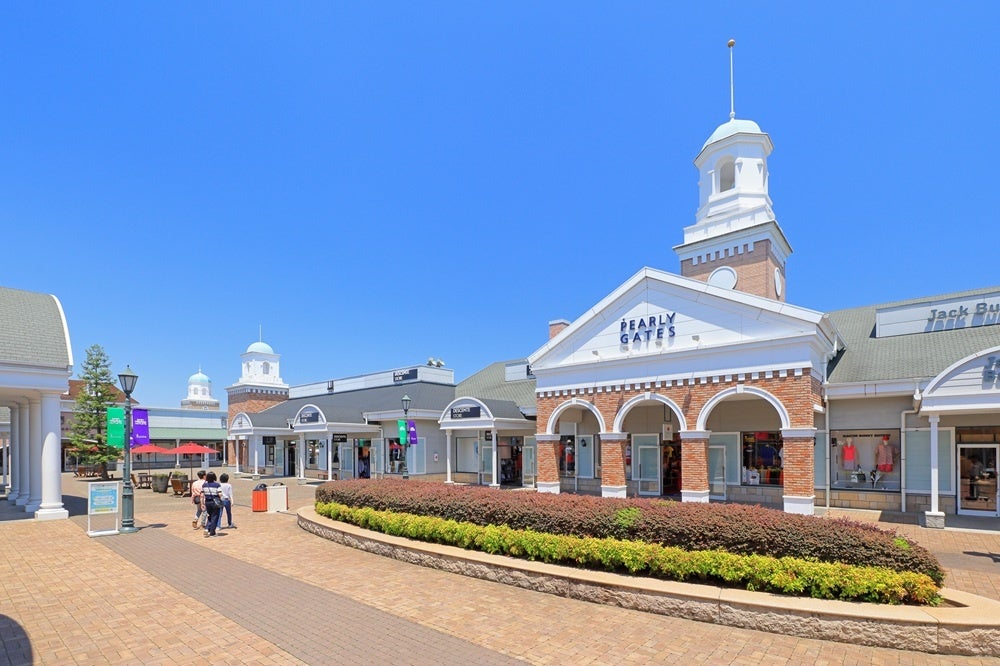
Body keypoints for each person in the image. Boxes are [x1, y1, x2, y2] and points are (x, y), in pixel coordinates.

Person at [201, 471, 223, 537]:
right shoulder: (217, 485)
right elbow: (220, 494)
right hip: (215, 502)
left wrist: (202, 504)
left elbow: (202, 495)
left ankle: (207, 528)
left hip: (207, 502)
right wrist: (221, 499)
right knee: (215, 516)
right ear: (214, 477)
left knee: (210, 516)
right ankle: (212, 532)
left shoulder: (204, 485)